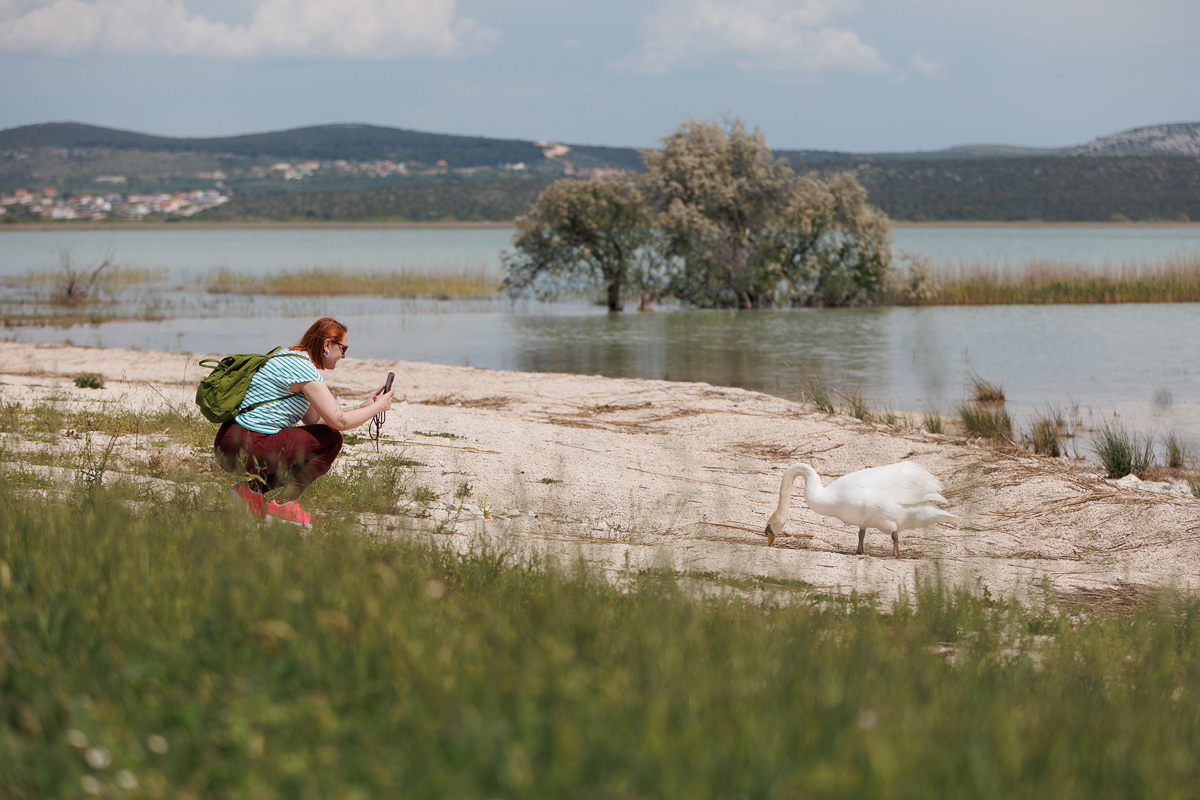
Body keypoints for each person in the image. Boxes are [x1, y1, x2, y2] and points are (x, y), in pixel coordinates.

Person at [215, 317, 394, 524]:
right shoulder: (303, 369)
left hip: (230, 442)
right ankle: (284, 504)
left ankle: (250, 492)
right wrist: (377, 408)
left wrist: (362, 407)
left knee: (318, 439)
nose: (344, 356)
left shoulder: (290, 357)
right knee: (332, 439)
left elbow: (314, 421)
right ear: (327, 345)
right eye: (343, 349)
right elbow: (339, 423)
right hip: (248, 445)